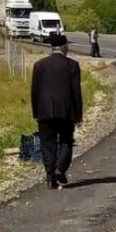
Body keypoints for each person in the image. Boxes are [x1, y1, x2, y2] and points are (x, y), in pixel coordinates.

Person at [31, 34, 83, 190]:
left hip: (44, 111)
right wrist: (78, 114)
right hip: (66, 111)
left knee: (47, 144)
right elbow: (76, 92)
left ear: (51, 48)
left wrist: (36, 111)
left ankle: (49, 177)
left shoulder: (39, 65)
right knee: (66, 140)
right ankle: (60, 168)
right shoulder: (72, 65)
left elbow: (34, 91)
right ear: (65, 47)